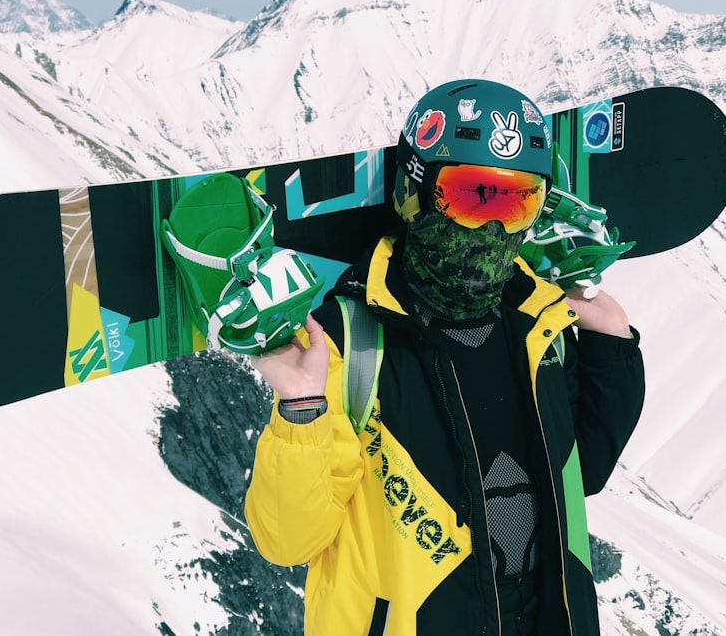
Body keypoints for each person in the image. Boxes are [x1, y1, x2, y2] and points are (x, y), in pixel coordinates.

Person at [244, 79, 645, 636]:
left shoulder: (538, 326)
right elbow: (288, 540)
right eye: (470, 195)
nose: (493, 227)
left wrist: (606, 334)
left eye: (515, 199)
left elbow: (582, 473)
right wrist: (302, 407)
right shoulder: (348, 338)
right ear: (415, 193)